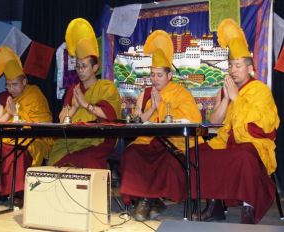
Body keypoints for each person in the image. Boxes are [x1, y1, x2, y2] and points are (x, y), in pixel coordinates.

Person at [188, 19, 280, 224]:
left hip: (254, 144)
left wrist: (237, 98)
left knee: (244, 155)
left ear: (249, 68)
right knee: (198, 153)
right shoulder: (228, 90)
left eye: (238, 66)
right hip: (225, 141)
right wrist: (227, 98)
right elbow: (213, 121)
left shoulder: (260, 90)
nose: (233, 70)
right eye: (230, 65)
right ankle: (214, 205)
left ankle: (249, 208)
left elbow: (262, 124)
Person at [119, 30, 202, 221]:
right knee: (132, 154)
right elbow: (144, 120)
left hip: (173, 142)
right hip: (151, 139)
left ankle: (147, 199)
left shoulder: (181, 93)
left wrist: (162, 109)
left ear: (170, 75)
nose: (155, 79)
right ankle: (149, 200)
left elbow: (192, 118)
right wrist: (154, 106)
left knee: (165, 160)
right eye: (152, 75)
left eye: (159, 75)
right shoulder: (150, 96)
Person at [0, 46, 53, 207]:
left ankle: (18, 193)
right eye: (8, 85)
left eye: (15, 84)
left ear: (24, 81)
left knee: (19, 152)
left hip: (30, 138)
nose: (11, 89)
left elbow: (41, 124)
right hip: (6, 136)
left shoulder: (34, 94)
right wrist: (9, 113)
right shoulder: (5, 97)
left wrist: (17, 115)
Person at [47, 18, 121, 168]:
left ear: (95, 68)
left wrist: (85, 104)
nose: (80, 70)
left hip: (99, 138)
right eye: (78, 66)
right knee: (56, 157)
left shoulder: (106, 87)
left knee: (84, 160)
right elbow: (62, 120)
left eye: (84, 66)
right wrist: (74, 106)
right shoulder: (73, 89)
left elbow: (110, 115)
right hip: (72, 138)